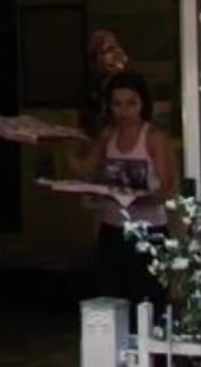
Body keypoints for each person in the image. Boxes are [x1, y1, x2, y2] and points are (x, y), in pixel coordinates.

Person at [75, 73, 177, 306]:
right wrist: (70, 141)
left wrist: (139, 198)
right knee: (110, 299)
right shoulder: (107, 135)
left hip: (148, 231)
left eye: (131, 103)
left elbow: (168, 188)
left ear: (143, 104)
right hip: (113, 229)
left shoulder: (154, 137)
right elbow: (85, 172)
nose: (124, 111)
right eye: (117, 104)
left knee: (149, 302)